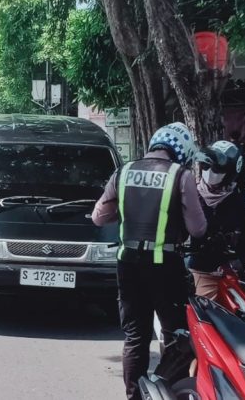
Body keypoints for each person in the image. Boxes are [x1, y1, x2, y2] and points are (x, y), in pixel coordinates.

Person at [92, 122, 207, 400]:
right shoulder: (181, 175)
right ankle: (169, 391)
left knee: (135, 337)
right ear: (180, 151)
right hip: (165, 267)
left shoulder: (124, 172)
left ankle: (135, 396)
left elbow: (98, 217)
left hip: (128, 264)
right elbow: (198, 229)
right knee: (175, 335)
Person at [189, 141, 245, 300]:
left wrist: (243, 259)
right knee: (206, 312)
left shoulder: (235, 200)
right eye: (206, 166)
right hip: (204, 271)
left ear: (229, 173)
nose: (209, 172)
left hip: (233, 273)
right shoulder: (193, 195)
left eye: (216, 169)